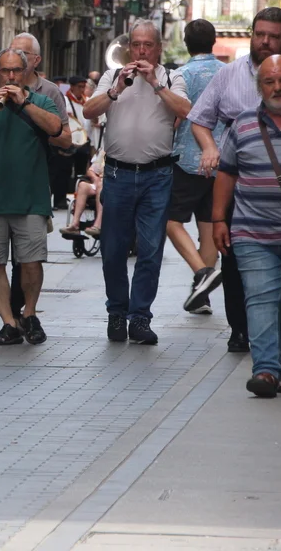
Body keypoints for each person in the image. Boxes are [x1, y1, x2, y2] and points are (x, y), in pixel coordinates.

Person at [188, 7, 281, 353]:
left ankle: (280, 336)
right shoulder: (228, 75)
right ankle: (240, 329)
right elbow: (199, 119)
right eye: (259, 34)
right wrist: (210, 148)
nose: (264, 41)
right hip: (236, 184)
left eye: (273, 36)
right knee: (234, 259)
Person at [83, 20, 191, 346]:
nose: (142, 51)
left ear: (158, 49)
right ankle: (117, 311)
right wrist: (116, 90)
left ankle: (140, 317)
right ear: (129, 48)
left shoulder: (172, 77)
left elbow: (185, 110)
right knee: (113, 249)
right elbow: (88, 111)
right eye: (137, 45)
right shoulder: (112, 76)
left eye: (148, 45)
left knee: (151, 249)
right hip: (118, 174)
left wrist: (155, 83)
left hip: (157, 176)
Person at [0, 48, 63, 346]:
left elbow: (56, 128)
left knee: (31, 262)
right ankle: (8, 321)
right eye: (5, 71)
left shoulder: (41, 101)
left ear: (26, 71)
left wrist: (24, 103)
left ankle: (29, 314)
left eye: (16, 70)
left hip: (30, 199)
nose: (10, 76)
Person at [212, 55, 281, 397]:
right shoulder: (243, 124)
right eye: (269, 81)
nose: (277, 88)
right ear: (259, 87)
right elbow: (227, 172)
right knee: (260, 300)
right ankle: (265, 371)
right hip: (252, 230)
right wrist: (219, 218)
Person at [165, 19, 225, 315]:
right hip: (222, 162)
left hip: (187, 160)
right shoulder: (228, 73)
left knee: (169, 220)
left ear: (187, 44)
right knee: (210, 226)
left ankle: (202, 273)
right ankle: (202, 296)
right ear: (213, 42)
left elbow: (175, 117)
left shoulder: (181, 75)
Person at [61, 148, 104, 236]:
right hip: (98, 182)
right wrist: (95, 178)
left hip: (111, 185)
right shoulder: (104, 152)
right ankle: (75, 224)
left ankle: (98, 225)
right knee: (83, 185)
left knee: (101, 185)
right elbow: (90, 170)